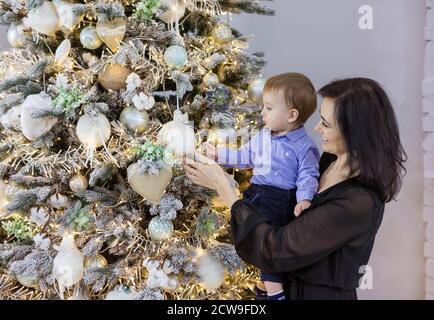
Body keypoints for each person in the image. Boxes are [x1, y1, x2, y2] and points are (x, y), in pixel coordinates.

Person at [184, 78, 407, 300]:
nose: (317, 128)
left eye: (326, 124)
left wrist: (225, 188)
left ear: (355, 133)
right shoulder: (330, 160)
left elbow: (275, 249)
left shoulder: (358, 202)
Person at [204, 73, 320, 300]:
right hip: (256, 192)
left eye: (268, 108)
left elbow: (308, 174)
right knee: (247, 235)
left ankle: (275, 290)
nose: (262, 112)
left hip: (279, 199)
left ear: (291, 115)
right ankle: (266, 282)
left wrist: (304, 199)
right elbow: (245, 156)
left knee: (265, 240)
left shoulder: (304, 146)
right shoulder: (263, 136)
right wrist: (219, 155)